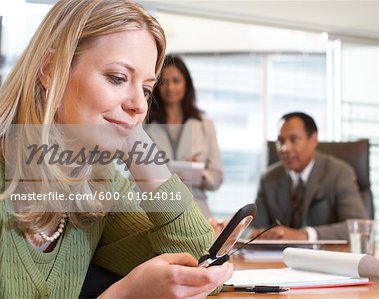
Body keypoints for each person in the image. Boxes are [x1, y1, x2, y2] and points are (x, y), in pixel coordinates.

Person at [0, 1, 232, 298]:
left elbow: (201, 266)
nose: (140, 105)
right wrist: (123, 295)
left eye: (147, 89)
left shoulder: (100, 184)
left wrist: (134, 139)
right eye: (118, 78)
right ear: (50, 69)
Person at [251, 112, 367, 241]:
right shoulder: (268, 178)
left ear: (313, 140)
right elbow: (254, 227)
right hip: (275, 259)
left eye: (293, 140)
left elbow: (358, 227)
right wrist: (255, 234)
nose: (285, 148)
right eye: (280, 141)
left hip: (322, 257)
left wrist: (305, 235)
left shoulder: (340, 173)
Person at [146, 55, 223, 219]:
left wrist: (199, 173)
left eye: (176, 80)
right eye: (164, 82)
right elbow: (135, 177)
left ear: (186, 84)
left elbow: (217, 178)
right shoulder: (145, 126)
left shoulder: (205, 125)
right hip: (159, 210)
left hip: (198, 210)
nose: (170, 88)